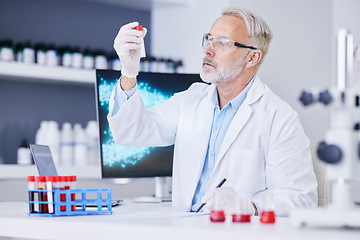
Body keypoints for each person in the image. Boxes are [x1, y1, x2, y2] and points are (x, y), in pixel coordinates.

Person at [109, 6, 318, 217]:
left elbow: (301, 200)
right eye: (209, 39)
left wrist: (249, 206)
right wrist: (128, 72)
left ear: (252, 58)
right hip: (184, 229)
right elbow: (131, 132)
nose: (208, 50)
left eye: (223, 43)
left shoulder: (279, 118)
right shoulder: (192, 99)